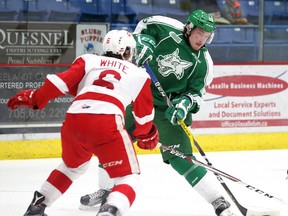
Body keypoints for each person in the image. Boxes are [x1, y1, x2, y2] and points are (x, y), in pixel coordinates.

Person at [79, 9, 240, 216]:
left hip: (167, 110)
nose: (202, 39)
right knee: (112, 139)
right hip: (142, 99)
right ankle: (106, 189)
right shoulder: (164, 26)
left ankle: (218, 201)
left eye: (207, 35)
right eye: (199, 33)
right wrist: (144, 44)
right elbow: (142, 30)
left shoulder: (203, 63)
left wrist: (183, 105)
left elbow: (196, 93)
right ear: (189, 28)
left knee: (182, 159)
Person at [7, 29, 159, 216]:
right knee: (127, 177)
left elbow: (58, 83)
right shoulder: (139, 74)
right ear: (127, 50)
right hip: (107, 121)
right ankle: (110, 211)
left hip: (74, 120)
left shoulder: (89, 60)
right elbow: (143, 120)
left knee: (72, 167)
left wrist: (35, 98)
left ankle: (38, 205)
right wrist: (147, 134)